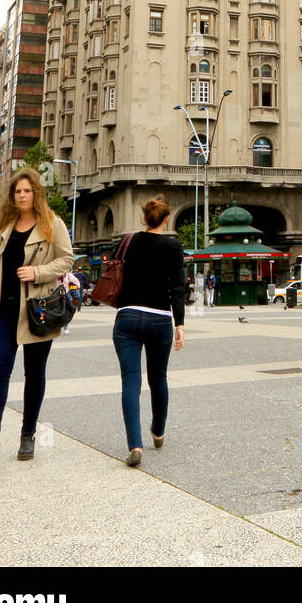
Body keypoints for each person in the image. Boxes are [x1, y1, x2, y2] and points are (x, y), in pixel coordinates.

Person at [0, 166, 74, 468]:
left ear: (36, 193)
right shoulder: (5, 228)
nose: (22, 195)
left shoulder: (51, 224)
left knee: (34, 373)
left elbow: (67, 259)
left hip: (37, 311)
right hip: (2, 313)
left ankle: (28, 434)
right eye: (18, 191)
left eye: (27, 190)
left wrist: (37, 272)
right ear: (12, 197)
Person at [112, 196, 186, 467]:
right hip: (159, 320)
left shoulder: (127, 241)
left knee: (130, 382)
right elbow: (178, 289)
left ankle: (135, 444)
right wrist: (179, 324)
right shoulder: (173, 247)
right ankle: (158, 430)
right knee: (158, 378)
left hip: (127, 316)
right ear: (166, 219)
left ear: (144, 217)